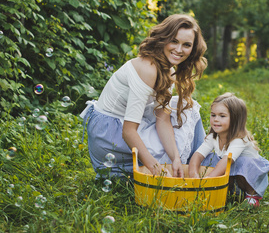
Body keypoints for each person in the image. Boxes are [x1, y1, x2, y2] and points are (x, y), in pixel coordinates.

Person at [80, 14, 208, 178]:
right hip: (109, 134)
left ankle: (191, 167)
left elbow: (162, 120)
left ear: (193, 49)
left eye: (187, 45)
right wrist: (156, 169)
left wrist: (175, 157)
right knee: (182, 115)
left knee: (183, 109)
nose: (179, 49)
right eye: (174, 41)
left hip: (123, 124)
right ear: (163, 38)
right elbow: (128, 131)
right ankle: (199, 169)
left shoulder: (167, 70)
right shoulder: (148, 69)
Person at [188, 92, 269, 207]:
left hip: (249, 174)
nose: (216, 119)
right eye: (213, 115)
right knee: (208, 158)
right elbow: (198, 155)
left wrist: (208, 181)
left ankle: (252, 195)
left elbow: (227, 161)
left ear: (235, 119)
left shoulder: (239, 139)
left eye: (222, 116)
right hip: (232, 170)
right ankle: (228, 188)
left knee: (241, 162)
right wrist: (193, 174)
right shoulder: (213, 137)